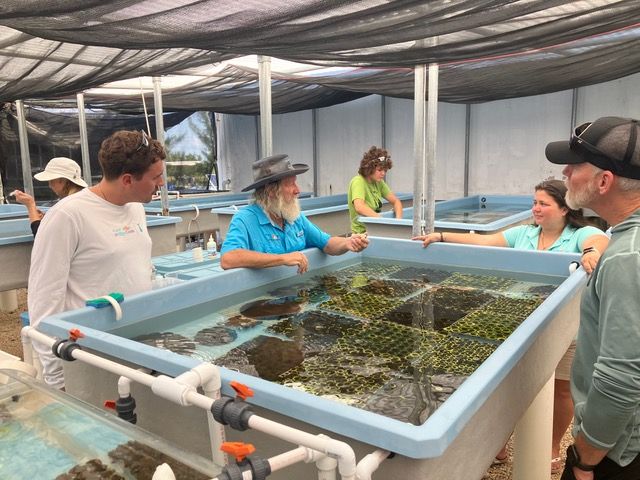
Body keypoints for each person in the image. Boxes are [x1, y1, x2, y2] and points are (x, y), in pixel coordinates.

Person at [413, 179, 609, 472]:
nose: (536, 209)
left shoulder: (580, 235)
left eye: (543, 203)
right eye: (534, 202)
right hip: (522, 326)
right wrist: (440, 236)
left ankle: (552, 445)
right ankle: (498, 443)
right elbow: (484, 241)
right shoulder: (524, 234)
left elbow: (600, 240)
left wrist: (591, 252)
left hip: (568, 328)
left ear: (565, 208)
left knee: (563, 390)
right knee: (509, 389)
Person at [28, 130, 166, 389]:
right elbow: (43, 300)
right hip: (89, 351)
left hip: (137, 343)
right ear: (127, 179)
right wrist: (58, 378)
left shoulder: (135, 207)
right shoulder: (68, 216)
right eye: (156, 177)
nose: (162, 183)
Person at [545, 116, 640, 480]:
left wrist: (585, 458)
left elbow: (621, 377)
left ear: (604, 181)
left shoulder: (626, 256)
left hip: (618, 455)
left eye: (575, 164)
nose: (565, 171)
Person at [220, 154, 369, 273]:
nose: (297, 190)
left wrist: (348, 242)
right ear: (271, 191)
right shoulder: (244, 219)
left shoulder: (294, 217)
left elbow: (327, 244)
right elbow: (228, 258)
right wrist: (282, 259)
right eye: (290, 184)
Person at [13, 157, 87, 235]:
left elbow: (41, 236)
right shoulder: (84, 200)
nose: (50, 185)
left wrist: (30, 205)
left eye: (52, 181)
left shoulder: (66, 207)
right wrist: (48, 219)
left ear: (63, 181)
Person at [348, 145, 403, 234]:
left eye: (385, 170)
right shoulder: (358, 181)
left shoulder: (379, 182)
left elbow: (396, 202)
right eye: (380, 170)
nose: (383, 173)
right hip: (361, 233)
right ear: (369, 168)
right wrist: (382, 221)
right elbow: (359, 207)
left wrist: (398, 222)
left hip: (375, 230)